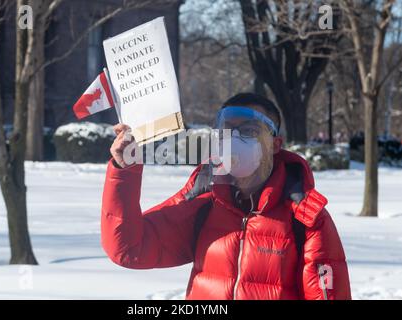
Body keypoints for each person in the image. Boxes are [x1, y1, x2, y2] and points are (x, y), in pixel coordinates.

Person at [101, 92, 351, 300]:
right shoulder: (203, 201)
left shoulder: (306, 219)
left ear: (275, 144)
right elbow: (129, 248)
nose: (234, 140)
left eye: (249, 131)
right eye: (227, 131)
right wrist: (124, 170)